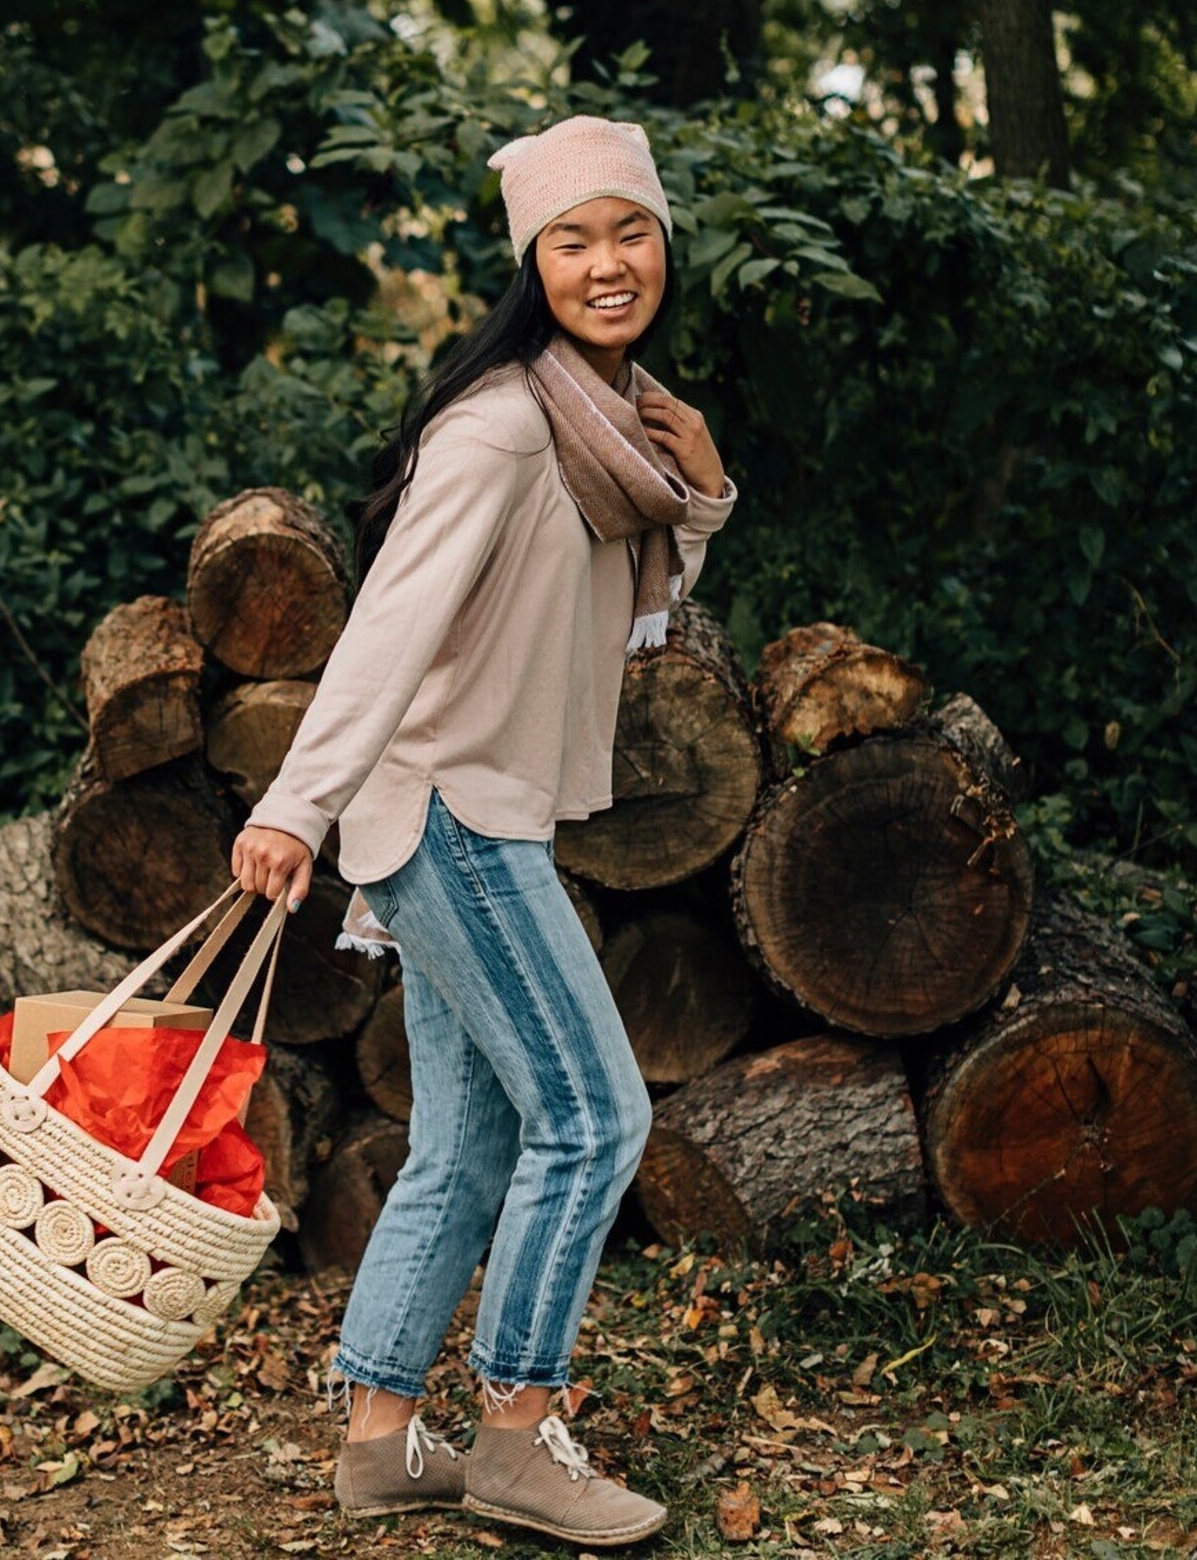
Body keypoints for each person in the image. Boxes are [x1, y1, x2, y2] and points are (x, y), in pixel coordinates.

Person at [231, 114, 738, 1548]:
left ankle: (382, 1440)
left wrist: (702, 494)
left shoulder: (607, 427)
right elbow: (389, 628)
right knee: (597, 1117)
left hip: (476, 811)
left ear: (663, 244)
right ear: (533, 263)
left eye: (630, 232)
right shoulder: (506, 426)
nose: (607, 263)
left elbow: (633, 614)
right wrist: (295, 805)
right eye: (573, 242)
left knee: (465, 1142)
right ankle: (517, 1432)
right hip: (449, 811)